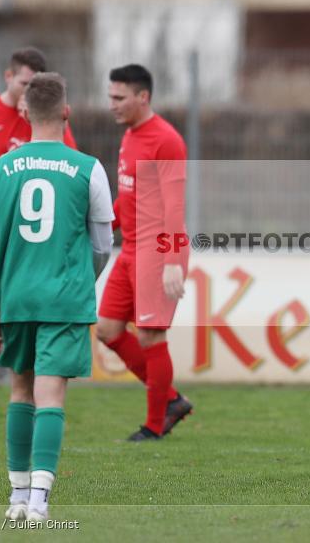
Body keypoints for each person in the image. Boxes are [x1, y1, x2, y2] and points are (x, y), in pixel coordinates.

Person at [0, 72, 114, 521]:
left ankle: (15, 497)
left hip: (18, 296)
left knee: (20, 389)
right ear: (66, 113)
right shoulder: (88, 168)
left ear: (25, 113)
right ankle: (39, 501)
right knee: (52, 395)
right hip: (65, 296)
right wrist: (79, 280)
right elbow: (103, 243)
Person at [0, 47, 78, 425]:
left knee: (25, 317)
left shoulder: (48, 120)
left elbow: (72, 172)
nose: (28, 93)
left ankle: (31, 388)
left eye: (35, 86)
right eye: (24, 83)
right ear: (9, 77)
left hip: (38, 239)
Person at [96, 64, 193, 441]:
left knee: (152, 337)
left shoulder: (165, 140)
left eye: (119, 98)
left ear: (143, 97)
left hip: (157, 249)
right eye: (110, 97)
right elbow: (129, 199)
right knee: (106, 329)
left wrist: (172, 260)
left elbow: (173, 206)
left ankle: (154, 426)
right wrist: (102, 229)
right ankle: (170, 399)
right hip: (131, 248)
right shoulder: (130, 136)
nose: (112, 105)